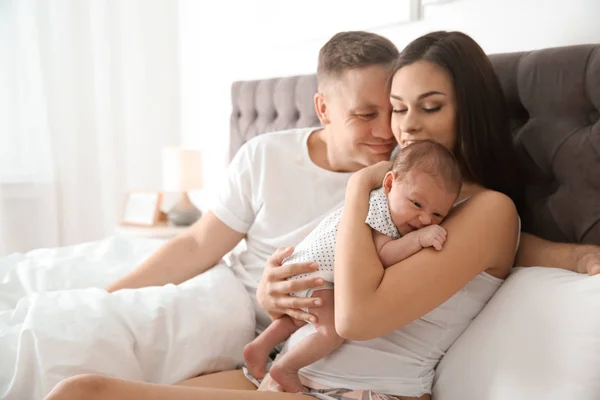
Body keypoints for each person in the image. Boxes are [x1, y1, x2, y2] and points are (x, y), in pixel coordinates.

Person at [45, 31, 600, 400]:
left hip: (353, 392)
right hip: (298, 373)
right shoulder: (418, 201)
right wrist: (568, 254)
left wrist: (361, 188)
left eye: (429, 107)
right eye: (397, 108)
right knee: (82, 385)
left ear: (472, 110)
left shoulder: (481, 207)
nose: (403, 127)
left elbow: (357, 319)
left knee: (85, 393)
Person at [244, 140, 462, 392]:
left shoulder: (381, 203)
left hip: (308, 268)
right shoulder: (380, 211)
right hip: (317, 273)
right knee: (330, 334)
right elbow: (383, 255)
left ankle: (258, 347)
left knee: (301, 320)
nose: (425, 219)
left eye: (438, 215)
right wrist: (419, 239)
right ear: (390, 184)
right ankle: (286, 368)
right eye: (416, 204)